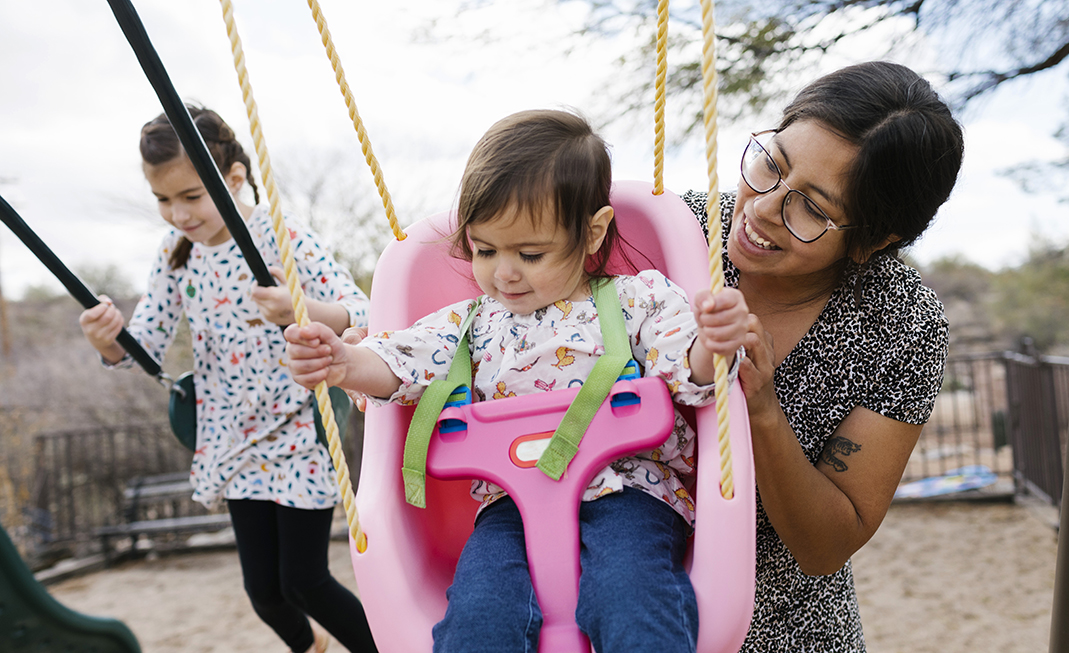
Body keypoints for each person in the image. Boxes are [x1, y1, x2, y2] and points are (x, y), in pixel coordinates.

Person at [284, 109, 749, 652]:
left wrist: (712, 343)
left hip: (630, 492)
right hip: (510, 509)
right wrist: (343, 362)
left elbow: (685, 366)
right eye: (484, 251)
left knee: (630, 596)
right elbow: (398, 361)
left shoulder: (637, 299)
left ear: (592, 232)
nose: (503, 272)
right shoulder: (471, 325)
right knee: (478, 617)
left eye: (530, 254)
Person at [681, 61, 964, 651]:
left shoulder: (900, 323)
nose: (761, 208)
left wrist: (761, 408)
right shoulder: (677, 232)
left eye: (811, 208)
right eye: (771, 165)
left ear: (873, 239)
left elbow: (825, 546)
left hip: (780, 631)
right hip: (608, 605)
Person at [78, 106, 378, 653]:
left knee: (305, 581)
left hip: (296, 433)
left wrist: (300, 308)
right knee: (264, 592)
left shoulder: (281, 237)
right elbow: (143, 343)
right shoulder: (175, 256)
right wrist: (108, 340)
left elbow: (362, 312)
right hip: (231, 442)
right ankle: (310, 647)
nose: (178, 214)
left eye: (191, 196)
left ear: (234, 178)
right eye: (164, 200)